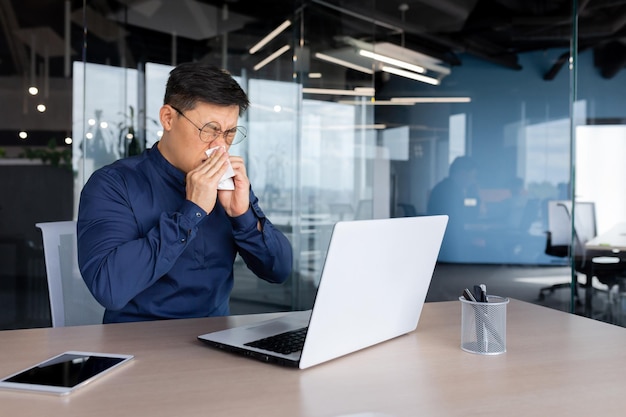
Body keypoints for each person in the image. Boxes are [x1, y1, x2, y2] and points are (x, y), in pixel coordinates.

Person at [77, 62, 293, 323]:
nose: (219, 147)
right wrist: (191, 213)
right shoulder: (113, 184)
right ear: (168, 118)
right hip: (138, 346)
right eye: (209, 131)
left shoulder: (227, 184)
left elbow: (278, 271)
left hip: (217, 340)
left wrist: (243, 215)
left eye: (229, 134)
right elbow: (109, 289)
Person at [427, 156, 482, 261]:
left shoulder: (448, 187)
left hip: (446, 243)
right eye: (473, 176)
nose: (473, 181)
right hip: (450, 247)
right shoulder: (450, 191)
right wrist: (475, 196)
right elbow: (467, 217)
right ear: (462, 173)